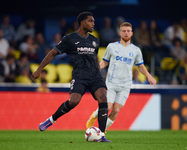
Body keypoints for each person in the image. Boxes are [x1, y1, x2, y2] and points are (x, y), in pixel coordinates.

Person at [31, 12, 111, 142]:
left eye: (93, 21)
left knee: (103, 98)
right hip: (80, 75)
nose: (93, 23)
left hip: (95, 76)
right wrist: (39, 69)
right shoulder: (70, 39)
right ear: (82, 23)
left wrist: (99, 73)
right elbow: (52, 53)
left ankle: (101, 135)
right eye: (90, 21)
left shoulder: (95, 40)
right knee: (74, 101)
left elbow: (95, 57)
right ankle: (51, 119)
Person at [86, 22, 156, 131]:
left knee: (116, 110)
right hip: (111, 83)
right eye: (124, 31)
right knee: (108, 107)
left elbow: (140, 66)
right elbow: (105, 62)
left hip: (125, 85)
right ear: (120, 33)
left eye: (128, 31)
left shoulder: (136, 50)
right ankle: (93, 116)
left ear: (132, 33)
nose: (126, 33)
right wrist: (96, 69)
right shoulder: (112, 46)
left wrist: (148, 76)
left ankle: (101, 131)